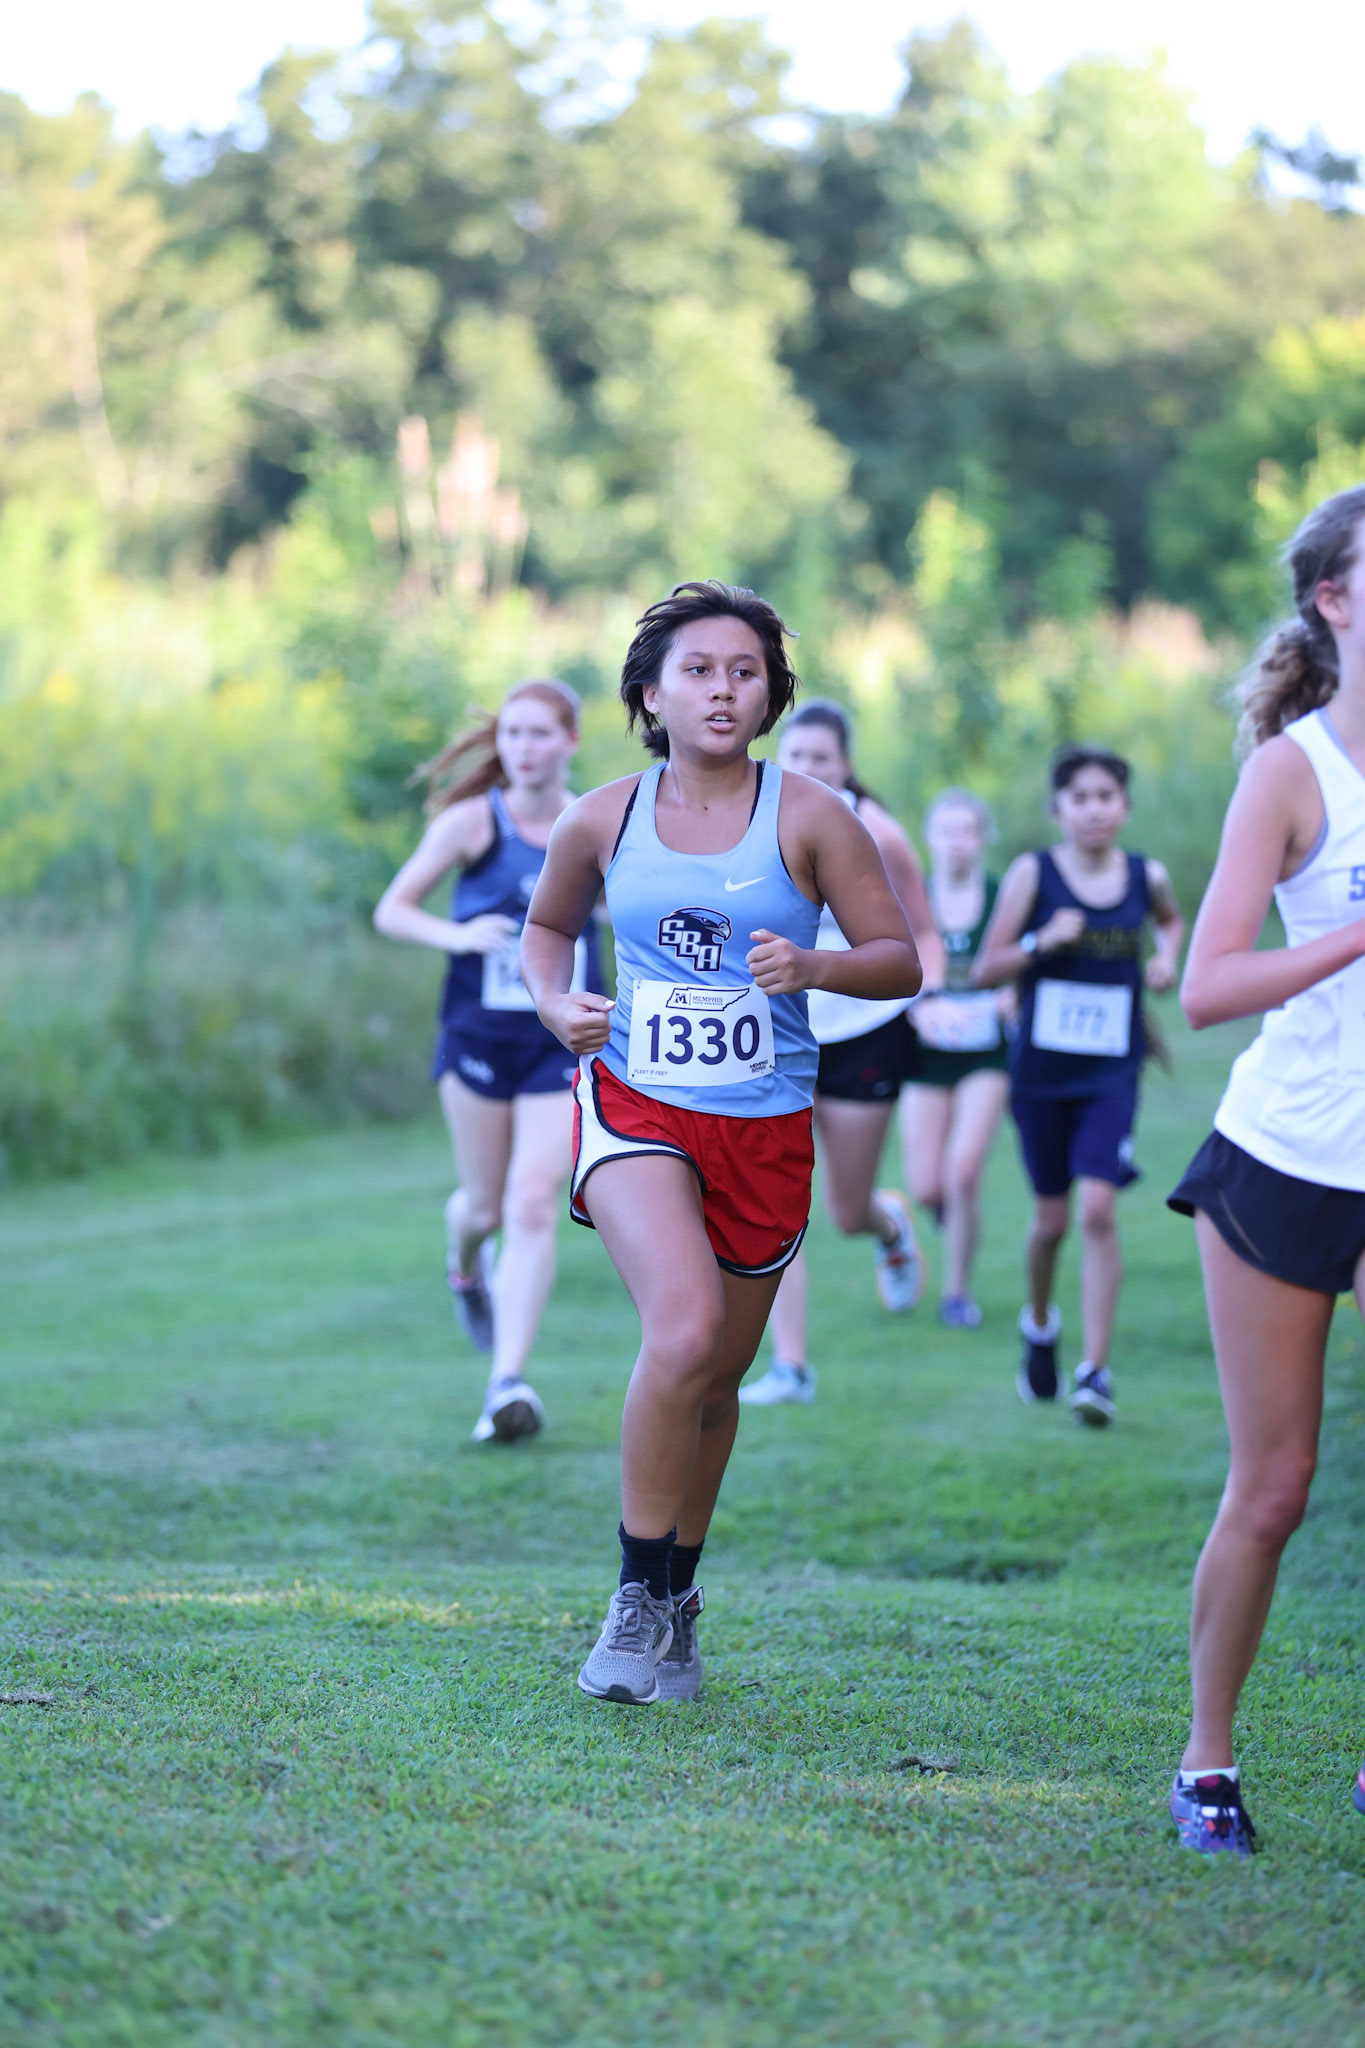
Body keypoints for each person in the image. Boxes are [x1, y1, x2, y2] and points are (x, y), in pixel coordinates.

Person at [521, 581, 922, 1705]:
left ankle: (679, 1601)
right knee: (684, 1328)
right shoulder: (601, 815)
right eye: (698, 669)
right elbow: (547, 930)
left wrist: (820, 966)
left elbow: (899, 958)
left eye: (744, 670)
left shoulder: (811, 816)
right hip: (637, 1101)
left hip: (766, 1121)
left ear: (771, 692)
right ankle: (633, 1592)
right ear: (651, 691)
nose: (723, 688)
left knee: (719, 1378)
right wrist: (557, 1004)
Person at [1165, 486, 1365, 1856]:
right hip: (1290, 1154)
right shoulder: (1294, 773)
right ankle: (1206, 1759)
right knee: (1276, 1485)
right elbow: (1206, 984)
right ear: (1334, 602)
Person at [373, 678, 601, 1445]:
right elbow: (393, 908)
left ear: (570, 741)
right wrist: (458, 935)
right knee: (483, 1207)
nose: (525, 749)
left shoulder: (594, 821)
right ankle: (463, 1260)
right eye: (512, 735)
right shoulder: (473, 822)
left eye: (540, 735)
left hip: (555, 1044)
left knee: (533, 1201)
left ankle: (506, 1382)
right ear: (499, 744)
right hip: (475, 1040)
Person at [740, 700, 945, 1408]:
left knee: (845, 1210)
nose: (808, 770)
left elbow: (921, 935)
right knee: (775, 1203)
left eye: (822, 758)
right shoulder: (754, 821)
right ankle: (790, 1367)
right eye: (796, 757)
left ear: (846, 764)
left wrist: (933, 1000)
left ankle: (886, 1225)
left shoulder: (878, 834)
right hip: (776, 1032)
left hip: (864, 1029)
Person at [974, 746, 1183, 1424]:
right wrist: (1040, 942)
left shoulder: (1143, 875)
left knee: (1097, 1210)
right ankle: (1039, 1323)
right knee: (1050, 1222)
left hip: (1110, 1070)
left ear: (1122, 807)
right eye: (1079, 797)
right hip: (1040, 1075)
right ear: (1057, 809)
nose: (1093, 809)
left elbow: (1170, 922)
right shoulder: (1033, 877)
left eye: (1105, 796)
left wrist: (1165, 961)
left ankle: (1094, 1371)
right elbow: (984, 969)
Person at [900, 789, 1012, 1328]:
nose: (958, 842)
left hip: (986, 1053)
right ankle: (946, 1220)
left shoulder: (1002, 896)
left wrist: (1015, 993)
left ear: (982, 837)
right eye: (947, 831)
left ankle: (957, 1293)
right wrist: (918, 1008)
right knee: (927, 1185)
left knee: (963, 1172)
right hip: (925, 1054)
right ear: (930, 838)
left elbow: (1021, 959)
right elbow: (892, 969)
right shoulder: (912, 898)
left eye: (968, 830)